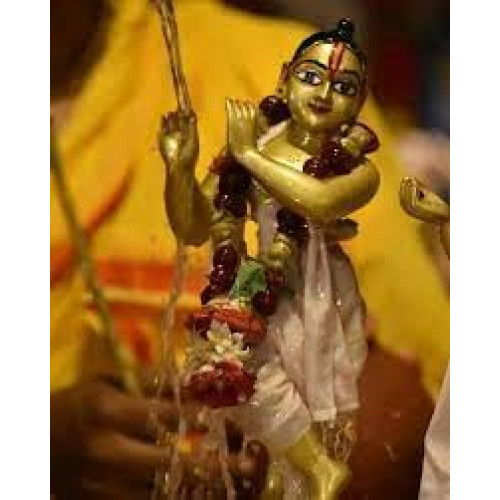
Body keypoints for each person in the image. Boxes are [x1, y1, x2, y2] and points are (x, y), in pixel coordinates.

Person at [51, 0, 448, 497]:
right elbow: (194, 225)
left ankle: (311, 471)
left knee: (290, 391)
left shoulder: (343, 160)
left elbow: (319, 200)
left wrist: (247, 155)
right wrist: (180, 171)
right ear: (286, 80)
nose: (324, 94)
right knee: (246, 381)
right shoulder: (246, 142)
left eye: (344, 87)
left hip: (321, 304)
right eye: (311, 78)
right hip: (254, 304)